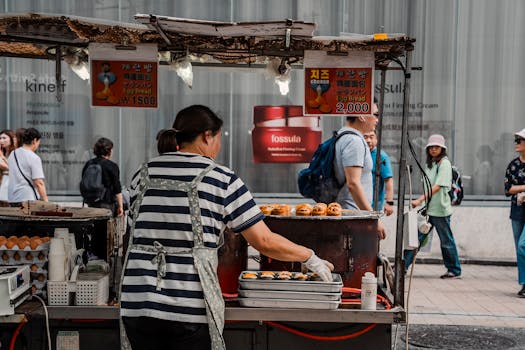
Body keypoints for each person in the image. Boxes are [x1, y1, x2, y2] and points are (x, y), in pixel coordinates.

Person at [120, 105, 334, 350]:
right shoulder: (221, 179)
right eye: (218, 139)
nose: (218, 147)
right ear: (207, 136)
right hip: (188, 309)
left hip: (137, 304)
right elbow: (263, 241)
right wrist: (309, 256)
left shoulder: (141, 174)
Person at [404, 134, 462, 279]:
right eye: (431, 147)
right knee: (415, 239)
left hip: (440, 210)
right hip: (428, 210)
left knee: (446, 241)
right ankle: (403, 266)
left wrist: (419, 200)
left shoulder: (445, 164)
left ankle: (454, 270)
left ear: (442, 149)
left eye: (437, 147)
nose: (434, 150)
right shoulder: (430, 164)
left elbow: (437, 186)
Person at [333, 103, 386, 239]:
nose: (377, 120)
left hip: (351, 214)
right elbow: (353, 184)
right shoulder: (354, 141)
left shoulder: (343, 136)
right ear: (361, 116)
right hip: (354, 216)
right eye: (375, 114)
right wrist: (372, 218)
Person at [504, 128, 525, 297]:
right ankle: (524, 283)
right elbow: (508, 189)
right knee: (519, 250)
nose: (517, 144)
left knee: (522, 245)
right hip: (517, 210)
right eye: (516, 140)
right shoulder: (513, 165)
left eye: (520, 140)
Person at [81, 137, 124, 217]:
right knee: (105, 228)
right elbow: (117, 188)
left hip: (91, 203)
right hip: (106, 205)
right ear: (109, 151)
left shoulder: (89, 164)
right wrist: (121, 206)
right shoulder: (112, 166)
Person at [7, 128, 48, 204]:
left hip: (12, 198)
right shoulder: (34, 157)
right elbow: (39, 182)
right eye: (39, 142)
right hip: (27, 198)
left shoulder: (13, 154)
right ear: (35, 141)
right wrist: (46, 201)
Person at [363, 129, 394, 215]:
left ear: (376, 139)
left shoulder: (381, 156)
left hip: (374, 205)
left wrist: (389, 202)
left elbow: (388, 180)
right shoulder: (358, 153)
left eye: (371, 137)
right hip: (357, 204)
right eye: (365, 137)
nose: (368, 140)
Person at [0, 130, 16, 202]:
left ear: (11, 139)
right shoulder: (3, 152)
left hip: (11, 183)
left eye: (4, 138)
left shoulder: (15, 152)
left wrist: (2, 157)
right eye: (0, 138)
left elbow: (14, 169)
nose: (1, 140)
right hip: (3, 181)